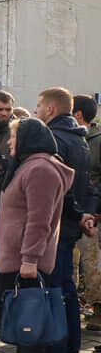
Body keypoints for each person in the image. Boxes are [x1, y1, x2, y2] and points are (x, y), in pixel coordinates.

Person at [0, 118, 73, 353]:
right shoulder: (29, 166)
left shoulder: (41, 169)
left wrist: (29, 258)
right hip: (15, 256)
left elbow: (40, 220)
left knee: (30, 317)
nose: (10, 142)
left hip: (27, 261)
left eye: (14, 137)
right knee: (20, 316)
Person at [36, 87, 96, 353]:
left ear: (50, 109)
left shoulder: (55, 139)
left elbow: (62, 187)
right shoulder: (79, 139)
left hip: (57, 224)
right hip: (70, 224)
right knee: (66, 288)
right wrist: (83, 213)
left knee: (54, 290)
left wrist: (76, 211)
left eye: (38, 106)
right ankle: (69, 352)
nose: (36, 111)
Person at [74, 95, 101, 331]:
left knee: (92, 265)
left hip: (93, 215)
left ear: (78, 114)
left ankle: (97, 312)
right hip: (72, 213)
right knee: (71, 265)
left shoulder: (98, 141)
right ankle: (72, 307)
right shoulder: (71, 139)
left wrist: (95, 210)